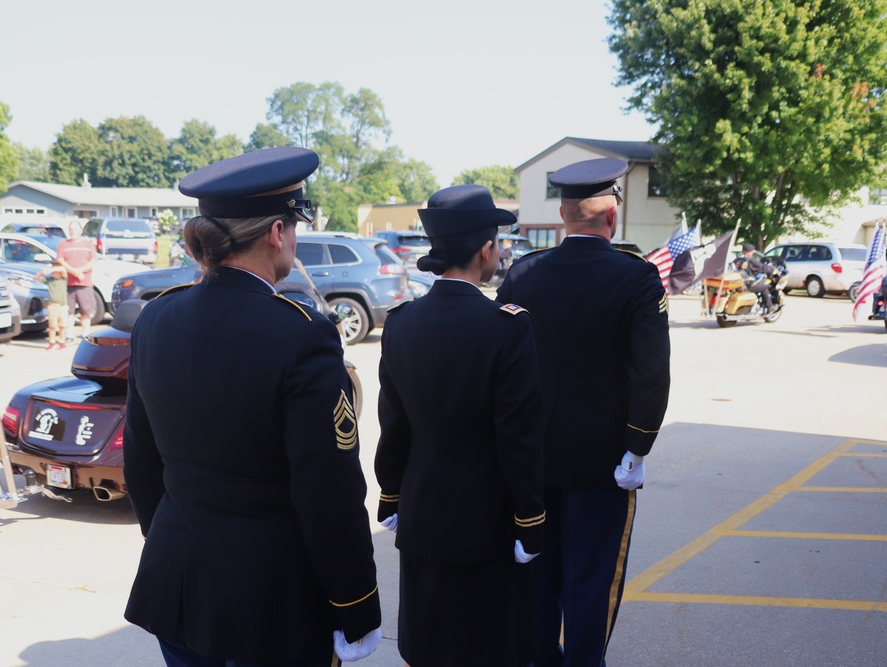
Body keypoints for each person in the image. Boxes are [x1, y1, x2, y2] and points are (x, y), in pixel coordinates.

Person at [123, 147, 381, 667]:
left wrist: (173, 541)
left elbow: (141, 459)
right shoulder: (302, 334)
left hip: (177, 581)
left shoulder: (157, 317)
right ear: (276, 234)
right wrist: (356, 604)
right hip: (268, 605)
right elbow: (327, 492)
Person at [496, 157, 671, 666]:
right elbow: (651, 373)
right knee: (591, 583)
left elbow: (500, 370)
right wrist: (637, 448)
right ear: (611, 218)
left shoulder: (523, 274)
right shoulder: (636, 277)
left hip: (534, 462)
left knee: (537, 578)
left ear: (563, 214)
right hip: (603, 465)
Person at [374, 184, 546, 667]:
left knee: (428, 648)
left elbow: (394, 423)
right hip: (486, 524)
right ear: (486, 250)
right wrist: (530, 520)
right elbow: (518, 438)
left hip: (424, 519)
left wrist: (391, 493)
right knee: (489, 648)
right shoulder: (507, 327)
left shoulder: (402, 322)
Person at [56, 219, 98, 340]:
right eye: (71, 229)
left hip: (84, 283)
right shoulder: (63, 244)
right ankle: (69, 336)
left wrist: (80, 271)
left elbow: (93, 260)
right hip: (68, 284)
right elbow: (60, 260)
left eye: (75, 229)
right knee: (69, 312)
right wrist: (74, 271)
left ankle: (86, 334)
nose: (73, 231)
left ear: (81, 230)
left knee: (85, 311)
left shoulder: (88, 244)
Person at [34, 259, 68, 350]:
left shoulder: (63, 279)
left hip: (62, 305)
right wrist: (42, 272)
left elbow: (64, 270)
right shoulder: (49, 280)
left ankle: (62, 341)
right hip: (52, 305)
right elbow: (36, 278)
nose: (55, 274)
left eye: (57, 272)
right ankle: (52, 342)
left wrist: (53, 269)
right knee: (52, 325)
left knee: (63, 325)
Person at [736, 242, 776, 312]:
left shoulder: (737, 259)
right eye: (750, 252)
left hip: (738, 284)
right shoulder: (750, 260)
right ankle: (770, 307)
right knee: (764, 288)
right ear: (747, 252)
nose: (751, 253)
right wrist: (773, 270)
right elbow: (762, 267)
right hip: (747, 284)